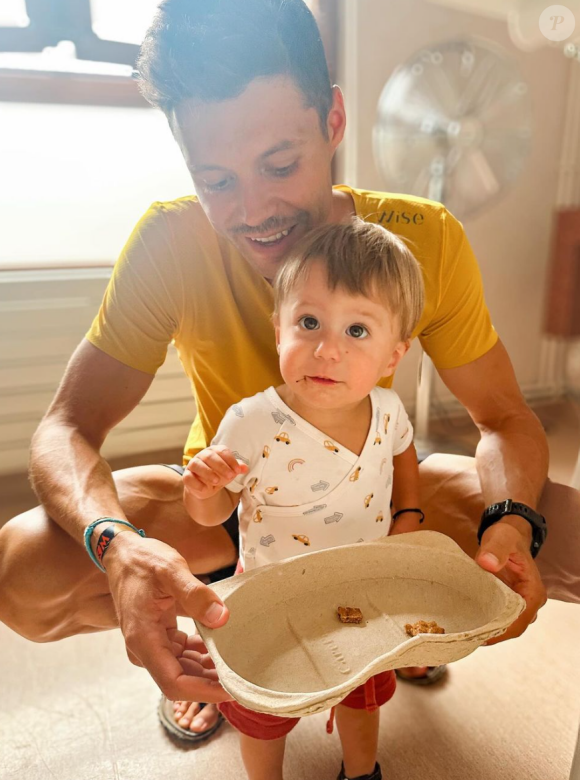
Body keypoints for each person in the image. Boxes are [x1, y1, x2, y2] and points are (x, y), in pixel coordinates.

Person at [1, 0, 577, 749]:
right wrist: (119, 548)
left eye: (280, 165)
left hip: (373, 496)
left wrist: (512, 524)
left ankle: (383, 621)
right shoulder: (170, 242)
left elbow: (505, 417)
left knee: (568, 534)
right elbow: (66, 428)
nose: (255, 212)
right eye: (217, 180)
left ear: (333, 121)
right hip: (233, 502)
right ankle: (221, 636)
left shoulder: (422, 240)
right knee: (23, 573)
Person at [179, 218, 425, 780]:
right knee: (263, 710)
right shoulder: (252, 421)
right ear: (278, 330)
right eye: (308, 322)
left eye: (357, 331)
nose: (327, 350)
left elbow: (404, 452)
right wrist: (203, 490)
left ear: (394, 354)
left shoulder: (389, 410)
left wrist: (409, 514)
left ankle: (362, 772)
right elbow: (213, 516)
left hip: (360, 588)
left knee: (362, 695)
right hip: (270, 592)